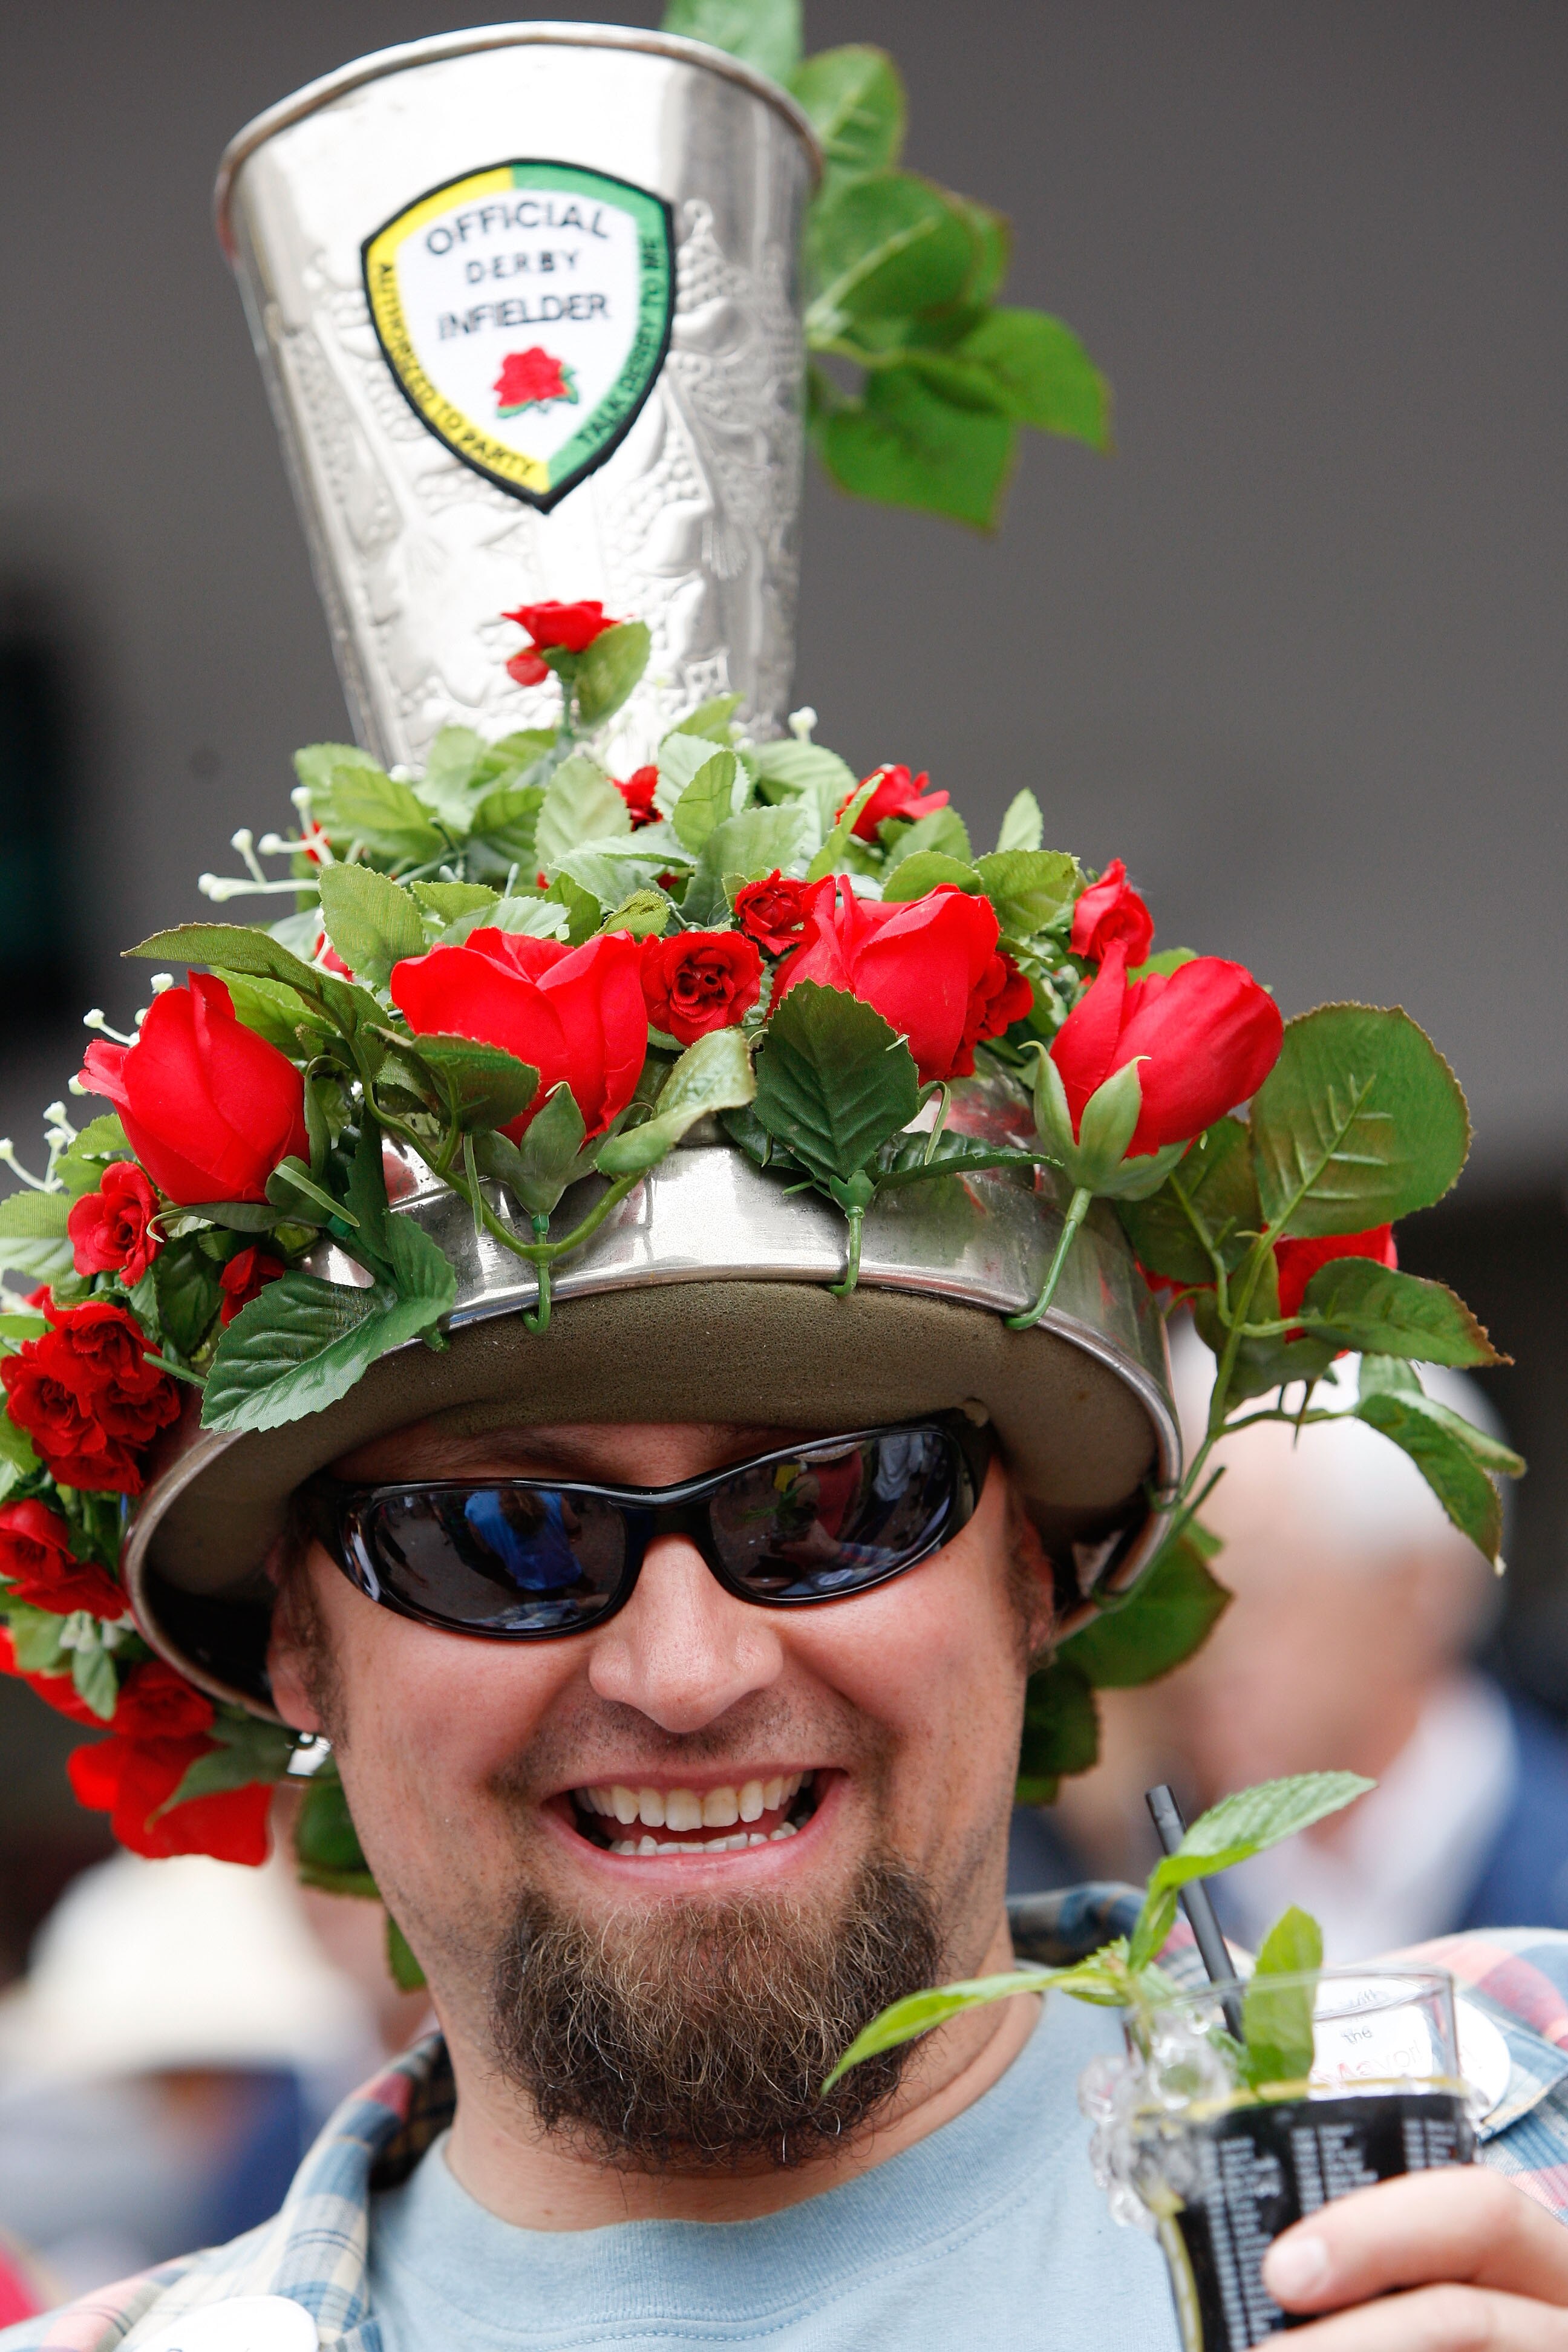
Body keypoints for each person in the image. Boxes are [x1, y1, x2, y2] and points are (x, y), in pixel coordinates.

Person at [1047, 1344, 1568, 1959]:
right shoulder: (1146, 1885)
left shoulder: (1544, 1874)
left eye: (1259, 1583)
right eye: (1165, 1597)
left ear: (1420, 1592)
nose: (1201, 1650)